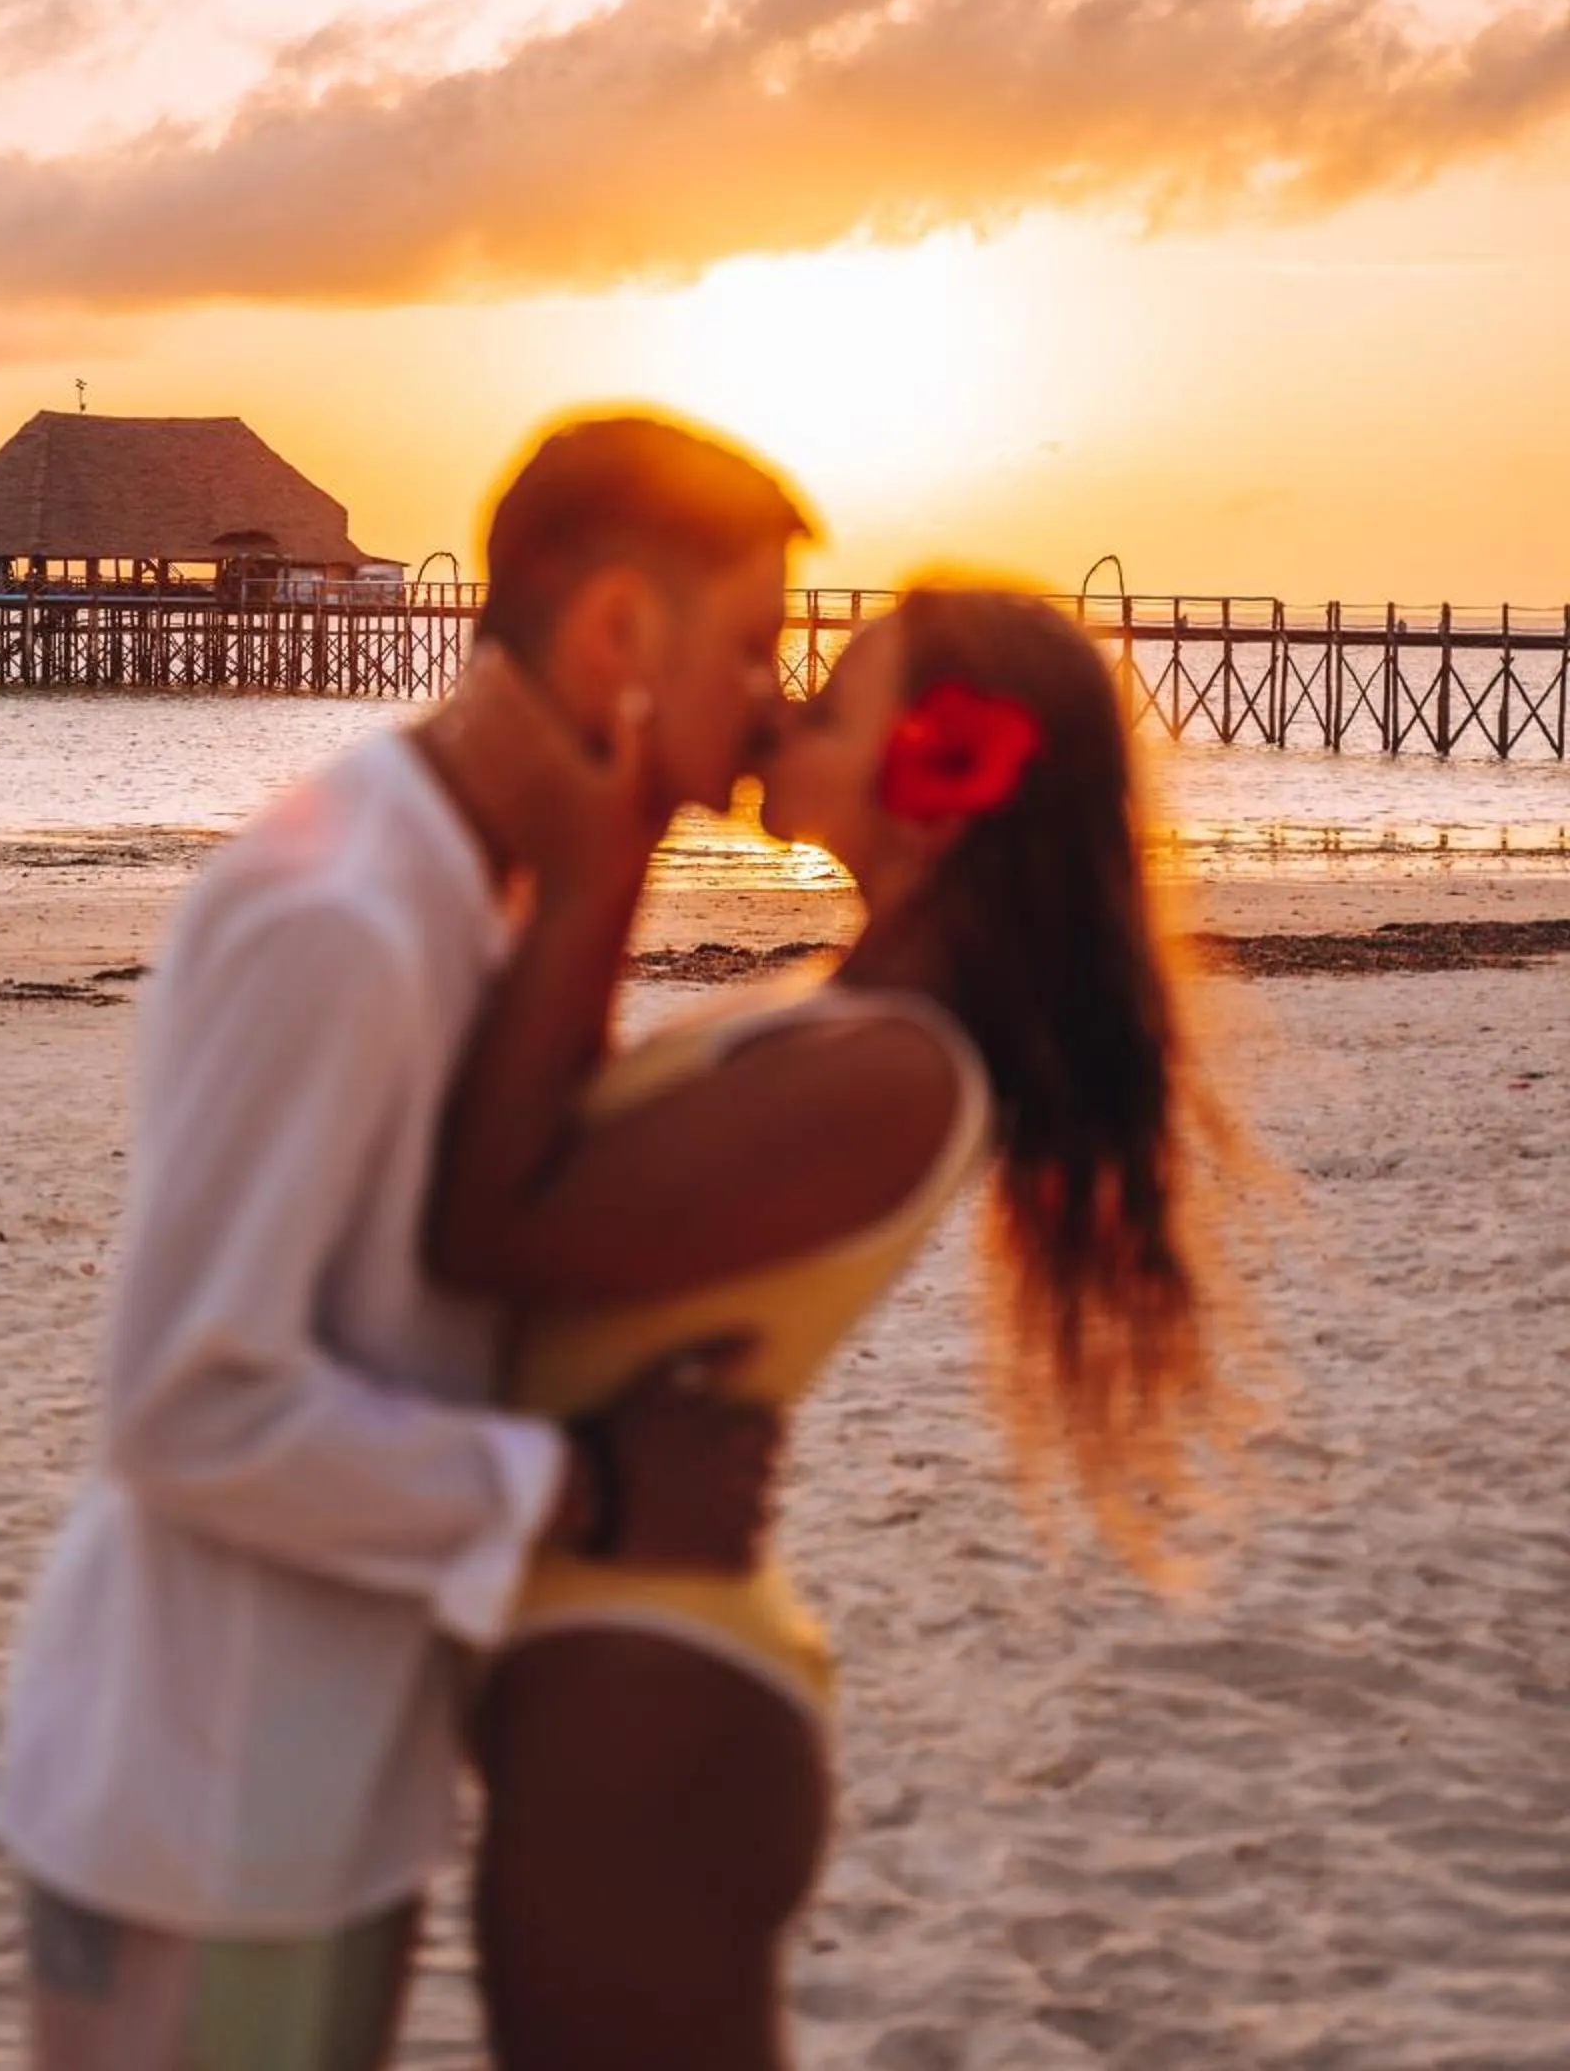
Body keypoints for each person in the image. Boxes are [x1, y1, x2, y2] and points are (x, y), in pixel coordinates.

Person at [0, 413, 814, 2071]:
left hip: (316, 1785)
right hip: (212, 1811)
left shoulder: (471, 888)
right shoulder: (345, 921)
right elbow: (186, 1407)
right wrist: (584, 1489)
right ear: (615, 632)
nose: (773, 707)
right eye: (749, 647)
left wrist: (610, 872)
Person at [425, 581, 1264, 2071]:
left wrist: (606, 846)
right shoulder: (839, 1010)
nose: (775, 710)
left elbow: (489, 1228)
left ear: (937, 789)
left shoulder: (896, 1070)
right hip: (618, 1663)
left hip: (652, 1691)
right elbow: (553, 1162)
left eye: (825, 703)